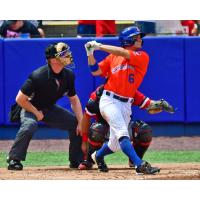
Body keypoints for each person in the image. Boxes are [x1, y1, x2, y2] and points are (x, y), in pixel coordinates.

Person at [84, 26, 161, 174]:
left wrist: (99, 46)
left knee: (115, 145)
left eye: (140, 36)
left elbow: (123, 52)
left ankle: (97, 156)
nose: (140, 39)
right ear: (128, 39)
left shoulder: (142, 56)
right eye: (136, 36)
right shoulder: (112, 58)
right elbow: (95, 71)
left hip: (126, 104)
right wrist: (90, 53)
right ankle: (140, 165)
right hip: (109, 101)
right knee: (122, 133)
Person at [7, 42, 84, 170]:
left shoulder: (69, 75)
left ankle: (76, 160)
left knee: (76, 124)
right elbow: (20, 99)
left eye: (67, 53)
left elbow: (74, 100)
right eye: (63, 54)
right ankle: (14, 159)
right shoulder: (38, 75)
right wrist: (36, 113)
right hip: (30, 106)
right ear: (52, 59)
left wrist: (81, 121)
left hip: (49, 108)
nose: (68, 55)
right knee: (30, 125)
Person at [78, 84, 175, 170]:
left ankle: (135, 160)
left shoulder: (128, 90)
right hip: (105, 129)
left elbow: (149, 106)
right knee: (97, 130)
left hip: (123, 125)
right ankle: (90, 159)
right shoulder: (98, 95)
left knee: (144, 130)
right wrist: (84, 140)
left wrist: (160, 105)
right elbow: (86, 117)